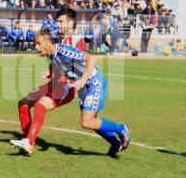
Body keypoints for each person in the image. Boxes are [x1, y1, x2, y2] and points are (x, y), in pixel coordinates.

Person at [10, 30, 130, 157]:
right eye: (35, 44)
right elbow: (62, 69)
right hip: (84, 87)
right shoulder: (49, 55)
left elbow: (90, 58)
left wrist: (83, 78)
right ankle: (115, 143)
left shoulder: (63, 50)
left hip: (94, 82)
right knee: (89, 121)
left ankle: (121, 128)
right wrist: (52, 74)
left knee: (86, 122)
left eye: (39, 43)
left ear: (48, 42)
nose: (36, 47)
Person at [14, 8, 93, 156]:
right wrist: (52, 73)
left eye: (60, 21)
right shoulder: (61, 41)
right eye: (57, 21)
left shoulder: (76, 40)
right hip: (55, 82)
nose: (57, 24)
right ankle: (28, 139)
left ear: (70, 23)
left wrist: (68, 77)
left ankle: (29, 142)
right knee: (23, 104)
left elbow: (77, 66)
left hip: (66, 86)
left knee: (39, 106)